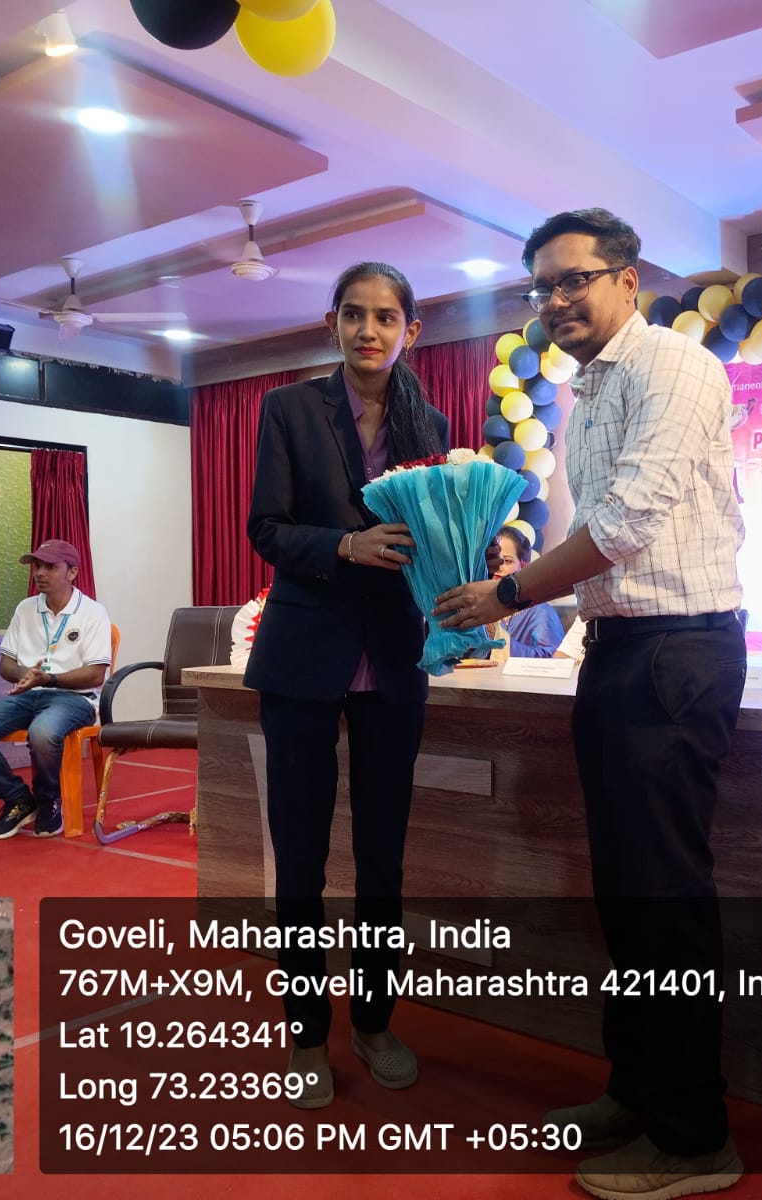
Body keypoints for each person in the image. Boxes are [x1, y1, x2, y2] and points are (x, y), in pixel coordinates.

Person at [435, 208, 747, 1198]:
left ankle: (694, 1140)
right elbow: (598, 536)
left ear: (627, 280)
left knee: (665, 899)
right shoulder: (592, 388)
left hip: (676, 651)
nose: (556, 299)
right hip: (617, 652)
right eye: (542, 287)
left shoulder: (673, 365)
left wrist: (509, 593)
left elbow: (628, 521)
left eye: (574, 278)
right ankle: (636, 1093)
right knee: (625, 896)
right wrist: (518, 575)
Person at [244, 261, 448, 1109]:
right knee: (299, 858)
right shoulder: (289, 408)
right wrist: (344, 545)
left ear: (410, 331)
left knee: (382, 860)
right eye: (355, 315)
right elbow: (266, 527)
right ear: (331, 323)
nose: (370, 330)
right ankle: (305, 1032)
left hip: (394, 660)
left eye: (386, 317)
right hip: (303, 657)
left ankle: (373, 1022)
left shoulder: (430, 422)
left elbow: (438, 531)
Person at [0, 540, 113, 839]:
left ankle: (48, 799)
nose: (39, 573)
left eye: (50, 567)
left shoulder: (93, 612)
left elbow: (95, 674)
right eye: (37, 566)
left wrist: (48, 679)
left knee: (43, 732)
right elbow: (6, 665)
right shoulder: (26, 608)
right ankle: (17, 799)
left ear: (72, 573)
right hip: (28, 695)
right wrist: (29, 676)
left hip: (75, 699)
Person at [489, 527, 564, 658]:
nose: (498, 567)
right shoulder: (483, 608)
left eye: (507, 561)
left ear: (524, 566)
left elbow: (551, 659)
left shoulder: (540, 611)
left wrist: (498, 638)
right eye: (492, 559)